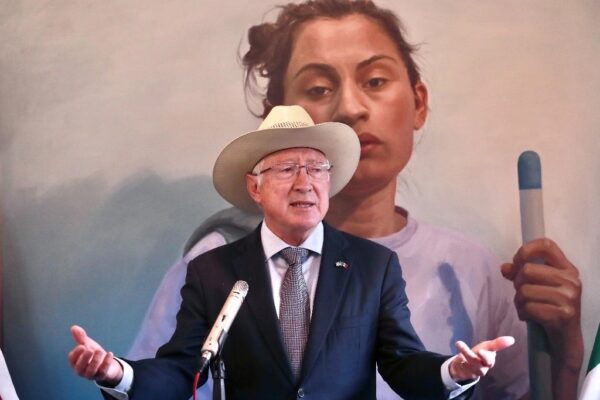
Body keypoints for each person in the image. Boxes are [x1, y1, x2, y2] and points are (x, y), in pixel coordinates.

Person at [128, 1, 583, 399]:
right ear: (273, 125)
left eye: (376, 80)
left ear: (418, 102)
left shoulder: (472, 271)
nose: (350, 108)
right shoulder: (216, 265)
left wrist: (564, 352)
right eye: (319, 89)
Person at [68, 105, 515, 399]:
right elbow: (184, 368)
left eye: (317, 168)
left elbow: (402, 363)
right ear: (254, 187)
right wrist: (116, 374)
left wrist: (455, 371)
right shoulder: (213, 270)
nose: (305, 182)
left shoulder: (372, 266)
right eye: (286, 168)